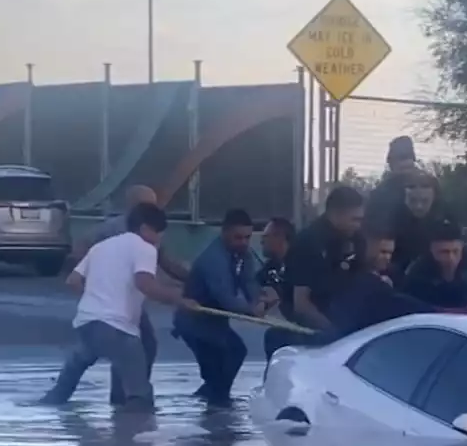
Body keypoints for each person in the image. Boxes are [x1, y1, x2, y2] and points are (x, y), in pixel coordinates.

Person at [40, 203, 197, 409]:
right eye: (158, 232)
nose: (160, 238)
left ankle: (48, 405)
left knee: (74, 373)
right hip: (117, 328)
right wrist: (180, 299)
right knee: (139, 395)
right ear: (144, 229)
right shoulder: (145, 247)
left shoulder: (101, 246)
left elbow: (73, 280)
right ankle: (132, 436)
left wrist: (97, 297)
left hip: (88, 322)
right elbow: (145, 284)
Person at [74, 184, 190, 405]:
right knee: (134, 346)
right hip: (117, 304)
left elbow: (164, 261)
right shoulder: (116, 229)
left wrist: (190, 278)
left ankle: (123, 395)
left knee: (105, 350)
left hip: (119, 304)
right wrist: (178, 296)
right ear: (135, 205)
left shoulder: (143, 231)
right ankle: (131, 397)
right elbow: (149, 280)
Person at [171, 209, 271, 406]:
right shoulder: (213, 259)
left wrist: (258, 301)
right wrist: (251, 310)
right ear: (224, 233)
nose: (243, 242)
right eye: (238, 237)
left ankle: (213, 404)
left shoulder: (244, 254)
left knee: (234, 354)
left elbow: (249, 282)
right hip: (193, 322)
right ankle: (216, 412)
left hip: (215, 322)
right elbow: (226, 298)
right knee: (219, 368)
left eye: (247, 237)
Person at [286, 185, 367, 331]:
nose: (358, 225)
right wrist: (334, 332)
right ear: (335, 214)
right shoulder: (308, 242)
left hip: (351, 318)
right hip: (316, 329)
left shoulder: (357, 239)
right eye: (354, 219)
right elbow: (301, 304)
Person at [402, 220, 467, 314]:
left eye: (456, 251)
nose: (451, 258)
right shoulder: (419, 268)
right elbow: (408, 304)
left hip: (463, 317)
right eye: (444, 252)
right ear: (432, 250)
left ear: (462, 247)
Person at [364, 136, 417, 227]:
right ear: (391, 164)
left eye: (407, 158)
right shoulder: (380, 195)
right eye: (400, 160)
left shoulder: (427, 188)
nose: (405, 164)